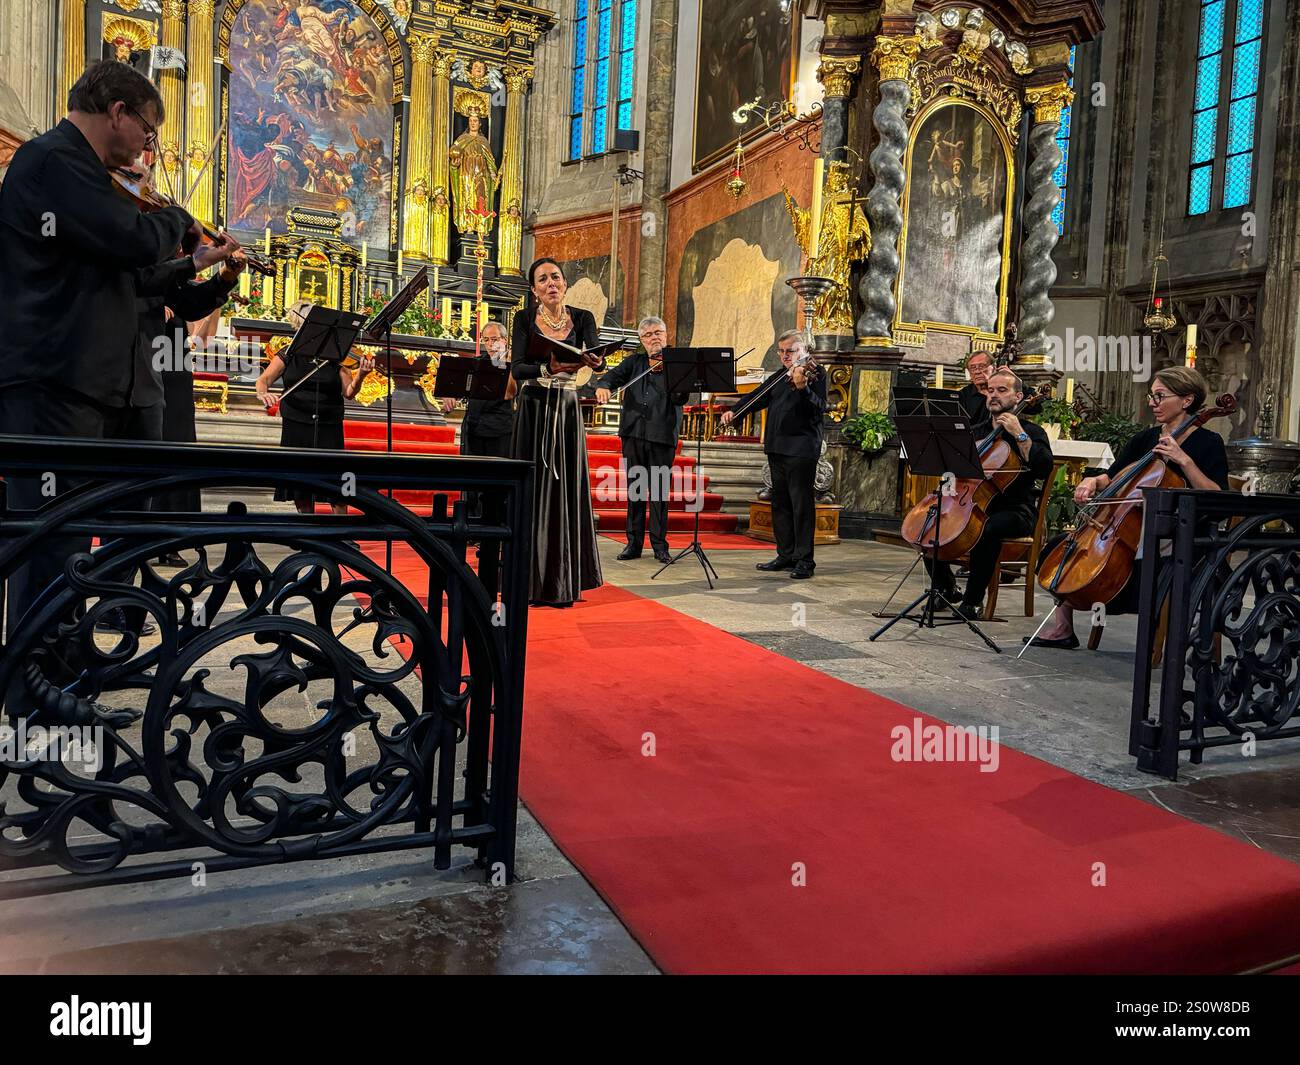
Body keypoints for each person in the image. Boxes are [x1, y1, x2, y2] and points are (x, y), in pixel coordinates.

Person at [0, 60, 216, 643]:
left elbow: (134, 276)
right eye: (148, 129)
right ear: (117, 111)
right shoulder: (53, 161)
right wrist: (179, 220)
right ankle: (37, 684)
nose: (149, 144)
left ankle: (67, 672)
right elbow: (134, 238)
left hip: (84, 380)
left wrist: (197, 265)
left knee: (73, 536)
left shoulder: (86, 173)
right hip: (53, 379)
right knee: (50, 539)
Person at [1027, 365, 1229, 649]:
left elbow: (1217, 496)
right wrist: (1092, 483)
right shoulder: (1145, 439)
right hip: (1128, 532)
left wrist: (1183, 460)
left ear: (1187, 400)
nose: (1152, 403)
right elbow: (1112, 475)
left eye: (1160, 396)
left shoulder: (1209, 442)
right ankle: (1062, 628)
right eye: (1151, 396)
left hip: (1174, 536)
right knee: (1060, 549)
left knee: (1139, 570)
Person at [510, 258, 604, 606]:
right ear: (534, 290)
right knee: (533, 490)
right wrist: (544, 366)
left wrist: (596, 361)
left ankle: (564, 580)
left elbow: (597, 355)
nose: (551, 282)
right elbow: (518, 368)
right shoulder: (522, 319)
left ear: (564, 284)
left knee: (566, 491)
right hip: (534, 408)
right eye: (543, 279)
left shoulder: (583, 318)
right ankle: (530, 579)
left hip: (565, 410)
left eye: (556, 277)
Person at [925, 368, 1054, 619]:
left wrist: (1020, 434)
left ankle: (973, 601)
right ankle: (946, 588)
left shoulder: (1031, 431)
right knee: (930, 523)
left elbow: (1043, 467)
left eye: (1002, 390)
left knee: (987, 528)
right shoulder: (977, 429)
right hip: (971, 502)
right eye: (990, 390)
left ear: (1018, 397)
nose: (993, 395)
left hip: (1014, 509)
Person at [138, 247, 248, 518]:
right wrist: (150, 307)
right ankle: (153, 520)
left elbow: (200, 338)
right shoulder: (145, 283)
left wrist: (215, 303)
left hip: (178, 376)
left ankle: (174, 523)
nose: (180, 250)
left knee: (180, 443)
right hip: (153, 373)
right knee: (157, 446)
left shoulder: (176, 291)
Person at [721, 329, 827, 579]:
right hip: (777, 447)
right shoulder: (780, 375)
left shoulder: (817, 374)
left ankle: (805, 560)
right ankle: (785, 554)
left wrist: (802, 389)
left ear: (804, 349)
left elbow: (819, 408)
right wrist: (736, 411)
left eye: (790, 351)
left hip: (801, 448)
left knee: (801, 505)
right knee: (780, 504)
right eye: (781, 351)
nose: (785, 356)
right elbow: (757, 397)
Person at [255, 299, 375, 515]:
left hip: (328, 422)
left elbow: (349, 393)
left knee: (337, 483)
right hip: (296, 422)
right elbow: (263, 380)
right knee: (300, 484)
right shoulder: (289, 352)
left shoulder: (336, 354)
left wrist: (362, 375)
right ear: (299, 324)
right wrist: (263, 394)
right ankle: (309, 532)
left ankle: (341, 534)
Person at [595, 316, 689, 564]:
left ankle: (660, 546)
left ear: (666, 335)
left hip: (661, 435)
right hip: (634, 433)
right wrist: (603, 386)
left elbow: (680, 399)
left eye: (658, 332)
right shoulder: (634, 362)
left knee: (659, 494)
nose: (654, 337)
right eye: (648, 335)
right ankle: (633, 544)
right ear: (642, 340)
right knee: (635, 491)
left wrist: (675, 377)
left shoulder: (677, 362)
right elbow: (610, 378)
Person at [440, 319, 515, 519]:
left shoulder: (513, 364)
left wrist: (504, 362)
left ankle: (493, 527)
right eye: (486, 340)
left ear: (505, 340)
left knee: (495, 486)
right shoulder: (477, 363)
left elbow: (511, 393)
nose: (490, 345)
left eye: (495, 340)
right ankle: (472, 525)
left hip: (499, 431)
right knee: (471, 482)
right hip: (473, 429)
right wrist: (450, 395)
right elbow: (457, 386)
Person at [956, 350, 993, 429]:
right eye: (972, 368)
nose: (977, 371)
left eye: (981, 366)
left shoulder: (1004, 391)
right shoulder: (962, 395)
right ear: (969, 373)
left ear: (993, 368)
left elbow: (1026, 407)